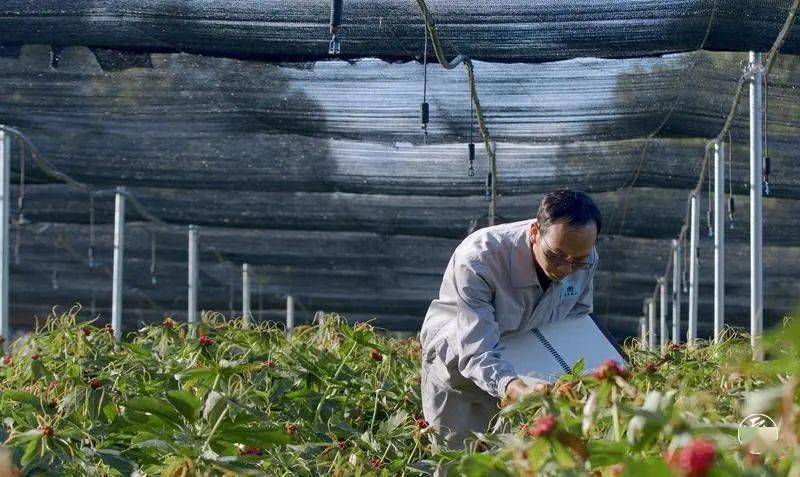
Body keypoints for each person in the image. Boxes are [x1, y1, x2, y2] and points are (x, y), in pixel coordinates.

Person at [419, 189, 601, 450]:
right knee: (457, 460)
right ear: (535, 232)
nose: (565, 269)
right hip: (459, 375)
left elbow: (575, 321)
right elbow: (475, 349)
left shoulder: (586, 260)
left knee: (511, 462)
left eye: (577, 261)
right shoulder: (479, 260)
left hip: (526, 372)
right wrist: (513, 387)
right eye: (556, 256)